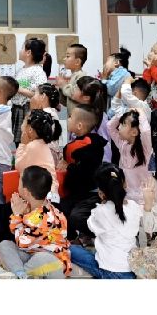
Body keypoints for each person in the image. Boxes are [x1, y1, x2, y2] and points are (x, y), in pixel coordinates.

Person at [68, 164, 141, 279]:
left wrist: (102, 204)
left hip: (110, 271)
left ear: (101, 193)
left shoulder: (101, 211)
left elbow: (91, 225)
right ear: (125, 184)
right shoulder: (134, 206)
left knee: (71, 249)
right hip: (132, 269)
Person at [0, 165, 71, 278]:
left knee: (42, 258)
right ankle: (21, 273)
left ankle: (20, 274)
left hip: (50, 260)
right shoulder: (37, 207)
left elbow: (22, 242)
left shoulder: (44, 216)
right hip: (31, 253)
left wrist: (17, 216)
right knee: (5, 245)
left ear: (26, 192)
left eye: (19, 182)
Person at [59, 105, 107, 241]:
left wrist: (69, 167)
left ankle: (100, 235)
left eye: (70, 117)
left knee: (76, 217)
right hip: (75, 192)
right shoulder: (81, 142)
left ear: (79, 125)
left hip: (89, 193)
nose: (68, 119)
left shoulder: (89, 146)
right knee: (61, 210)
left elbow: (85, 171)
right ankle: (71, 239)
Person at [8, 37, 49, 145]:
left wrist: (19, 89)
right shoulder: (21, 70)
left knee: (28, 140)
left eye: (22, 48)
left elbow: (40, 95)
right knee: (19, 141)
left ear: (28, 52)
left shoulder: (38, 71)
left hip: (28, 109)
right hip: (17, 109)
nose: (20, 50)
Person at [15, 107, 61, 182]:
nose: (22, 125)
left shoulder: (33, 146)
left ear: (30, 129)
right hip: (47, 187)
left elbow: (18, 166)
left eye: (24, 122)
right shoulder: (41, 143)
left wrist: (22, 144)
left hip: (44, 188)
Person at [53, 43, 88, 113]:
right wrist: (60, 88)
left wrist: (63, 85)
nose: (64, 59)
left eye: (67, 56)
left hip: (79, 116)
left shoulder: (81, 76)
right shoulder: (73, 76)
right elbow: (66, 102)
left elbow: (76, 95)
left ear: (77, 62)